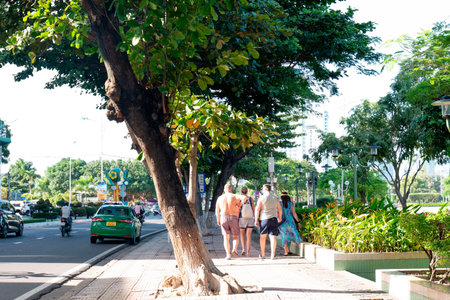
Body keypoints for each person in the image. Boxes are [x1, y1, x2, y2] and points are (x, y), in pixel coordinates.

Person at [215, 183, 246, 260]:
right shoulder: (234, 196)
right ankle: (234, 249)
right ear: (231, 189)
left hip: (223, 217)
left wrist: (218, 219)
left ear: (225, 189)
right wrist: (240, 204)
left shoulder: (220, 198)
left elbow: (217, 211)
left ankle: (228, 255)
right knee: (235, 237)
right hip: (233, 217)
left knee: (226, 238)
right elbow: (245, 197)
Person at [254, 184, 282, 259]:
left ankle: (263, 254)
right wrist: (280, 217)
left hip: (264, 219)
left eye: (262, 189)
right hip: (274, 218)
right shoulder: (275, 198)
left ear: (265, 189)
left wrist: (256, 220)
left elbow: (257, 209)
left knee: (262, 237)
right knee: (273, 237)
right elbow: (280, 209)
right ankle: (272, 255)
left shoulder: (261, 198)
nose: (262, 190)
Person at [238, 186, 255, 256]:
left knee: (242, 234)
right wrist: (254, 217)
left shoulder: (239, 198)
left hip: (242, 218)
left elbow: (238, 208)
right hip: (250, 218)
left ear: (241, 191)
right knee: (249, 235)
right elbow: (253, 208)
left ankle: (243, 249)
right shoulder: (250, 199)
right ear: (247, 191)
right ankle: (248, 252)